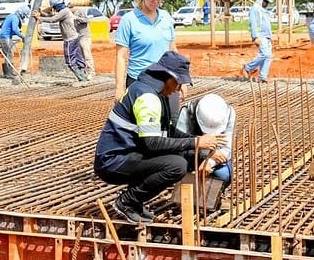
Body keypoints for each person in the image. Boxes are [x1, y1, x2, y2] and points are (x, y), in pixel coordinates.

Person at [94, 51, 226, 224]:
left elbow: (169, 131)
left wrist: (200, 146)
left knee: (185, 156)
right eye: (178, 83)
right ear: (168, 78)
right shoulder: (148, 97)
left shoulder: (154, 91)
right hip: (114, 161)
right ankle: (127, 202)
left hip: (131, 153)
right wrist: (196, 142)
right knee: (176, 165)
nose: (178, 89)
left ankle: (135, 203)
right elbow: (152, 143)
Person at [115, 0, 181, 120]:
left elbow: (173, 50)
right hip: (140, 83)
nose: (155, 2)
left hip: (167, 82)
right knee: (145, 129)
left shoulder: (166, 17)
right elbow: (121, 57)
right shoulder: (129, 20)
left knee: (172, 123)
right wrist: (119, 88)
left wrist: (180, 79)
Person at [173, 93, 235, 182]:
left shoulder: (229, 113)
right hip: (191, 154)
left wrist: (210, 162)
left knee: (224, 175)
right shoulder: (187, 111)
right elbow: (179, 146)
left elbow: (227, 149)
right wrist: (206, 153)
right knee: (179, 168)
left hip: (215, 156)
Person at [35, 0, 88, 85]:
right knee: (79, 58)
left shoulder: (64, 12)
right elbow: (53, 16)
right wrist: (42, 14)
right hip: (75, 37)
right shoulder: (65, 10)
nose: (54, 9)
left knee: (70, 61)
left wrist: (39, 18)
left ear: (57, 5)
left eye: (54, 7)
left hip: (70, 39)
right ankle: (84, 78)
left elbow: (53, 19)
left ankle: (82, 79)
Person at [242, 0, 274, 83]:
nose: (267, 4)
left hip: (267, 36)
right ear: (261, 0)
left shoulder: (263, 10)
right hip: (261, 36)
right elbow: (253, 23)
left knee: (269, 56)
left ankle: (262, 77)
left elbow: (267, 25)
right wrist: (255, 36)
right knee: (265, 54)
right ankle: (247, 68)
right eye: (266, 2)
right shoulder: (255, 9)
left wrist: (270, 37)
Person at [0, 6, 30, 79]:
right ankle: (9, 73)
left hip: (3, 36)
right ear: (22, 13)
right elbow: (15, 29)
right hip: (5, 37)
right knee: (9, 54)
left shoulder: (10, 16)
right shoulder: (15, 18)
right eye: (24, 16)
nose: (23, 17)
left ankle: (7, 73)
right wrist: (22, 36)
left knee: (7, 54)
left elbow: (2, 25)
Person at [72, 4, 96, 81]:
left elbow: (87, 20)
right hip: (78, 37)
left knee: (87, 56)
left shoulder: (80, 11)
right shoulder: (70, 14)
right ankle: (85, 73)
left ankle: (91, 73)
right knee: (81, 56)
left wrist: (77, 18)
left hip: (85, 37)